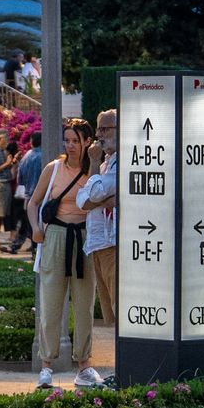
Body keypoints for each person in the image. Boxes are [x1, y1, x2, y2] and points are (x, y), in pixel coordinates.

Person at [27, 119, 102, 390]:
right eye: (67, 140)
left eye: (75, 140)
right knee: (51, 302)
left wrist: (93, 162)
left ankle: (84, 364)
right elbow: (33, 202)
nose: (70, 146)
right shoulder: (54, 168)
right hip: (57, 235)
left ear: (87, 142)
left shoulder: (95, 168)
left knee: (84, 302)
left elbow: (97, 193)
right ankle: (46, 365)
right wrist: (36, 228)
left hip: (85, 236)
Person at [77, 110, 119, 325]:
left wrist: (93, 163)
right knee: (110, 317)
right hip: (98, 244)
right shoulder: (105, 164)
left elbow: (91, 194)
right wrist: (103, 199)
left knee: (120, 311)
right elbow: (82, 201)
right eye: (99, 128)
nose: (100, 134)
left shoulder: (120, 162)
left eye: (105, 128)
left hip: (113, 245)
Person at [10, 132, 43, 252]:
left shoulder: (26, 157)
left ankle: (33, 249)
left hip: (29, 196)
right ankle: (37, 250)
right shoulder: (46, 156)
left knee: (31, 224)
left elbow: (20, 180)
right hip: (43, 195)